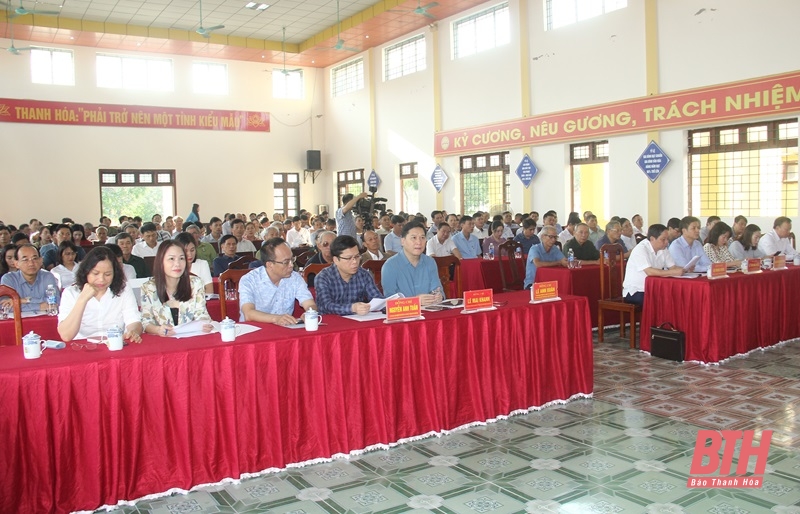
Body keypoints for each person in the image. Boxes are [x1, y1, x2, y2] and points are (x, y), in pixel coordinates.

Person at [57, 246, 142, 343]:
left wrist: (133, 332)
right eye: (95, 273)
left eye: (107, 274)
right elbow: (66, 335)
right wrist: (82, 299)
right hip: (82, 348)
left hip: (115, 345)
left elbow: (133, 320)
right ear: (86, 272)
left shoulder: (124, 289)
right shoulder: (71, 293)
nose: (101, 279)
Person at [140, 241, 212, 337]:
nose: (177, 264)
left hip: (191, 340)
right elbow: (145, 322)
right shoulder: (148, 288)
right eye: (171, 259)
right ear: (161, 261)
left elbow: (202, 314)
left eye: (181, 258)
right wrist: (157, 330)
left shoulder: (195, 283)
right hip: (162, 343)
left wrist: (205, 324)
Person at [238, 237, 317, 325]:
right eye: (286, 262)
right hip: (256, 331)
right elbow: (248, 313)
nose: (291, 265)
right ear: (270, 265)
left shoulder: (295, 278)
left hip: (285, 331)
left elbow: (310, 304)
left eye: (292, 259)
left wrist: (310, 312)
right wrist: (276, 319)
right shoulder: (249, 280)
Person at [315, 236, 384, 315]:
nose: (355, 262)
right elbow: (326, 305)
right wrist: (352, 308)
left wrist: (390, 303)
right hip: (331, 323)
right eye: (349, 258)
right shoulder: (324, 277)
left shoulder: (363, 275)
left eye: (357, 256)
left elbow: (377, 298)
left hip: (358, 321)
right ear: (336, 260)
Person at [621, 224, 684, 306]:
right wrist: (673, 272)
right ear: (652, 239)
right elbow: (649, 272)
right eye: (663, 239)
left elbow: (673, 267)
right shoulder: (640, 249)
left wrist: (684, 270)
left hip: (654, 288)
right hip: (636, 291)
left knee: (676, 296)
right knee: (662, 301)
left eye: (667, 239)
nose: (666, 242)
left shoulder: (663, 249)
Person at [381, 222, 444, 305]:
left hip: (429, 311)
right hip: (403, 315)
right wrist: (415, 301)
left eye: (422, 237)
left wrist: (438, 296)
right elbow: (389, 300)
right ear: (403, 241)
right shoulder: (390, 266)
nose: (419, 242)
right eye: (414, 238)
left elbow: (437, 289)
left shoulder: (430, 262)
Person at [1, 244, 60, 313]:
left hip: (44, 321)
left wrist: (20, 301)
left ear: (41, 260)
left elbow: (55, 302)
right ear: (16, 263)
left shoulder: (47, 276)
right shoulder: (9, 279)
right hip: (16, 322)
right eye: (25, 260)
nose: (31, 263)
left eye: (35, 258)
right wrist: (39, 306)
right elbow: (5, 306)